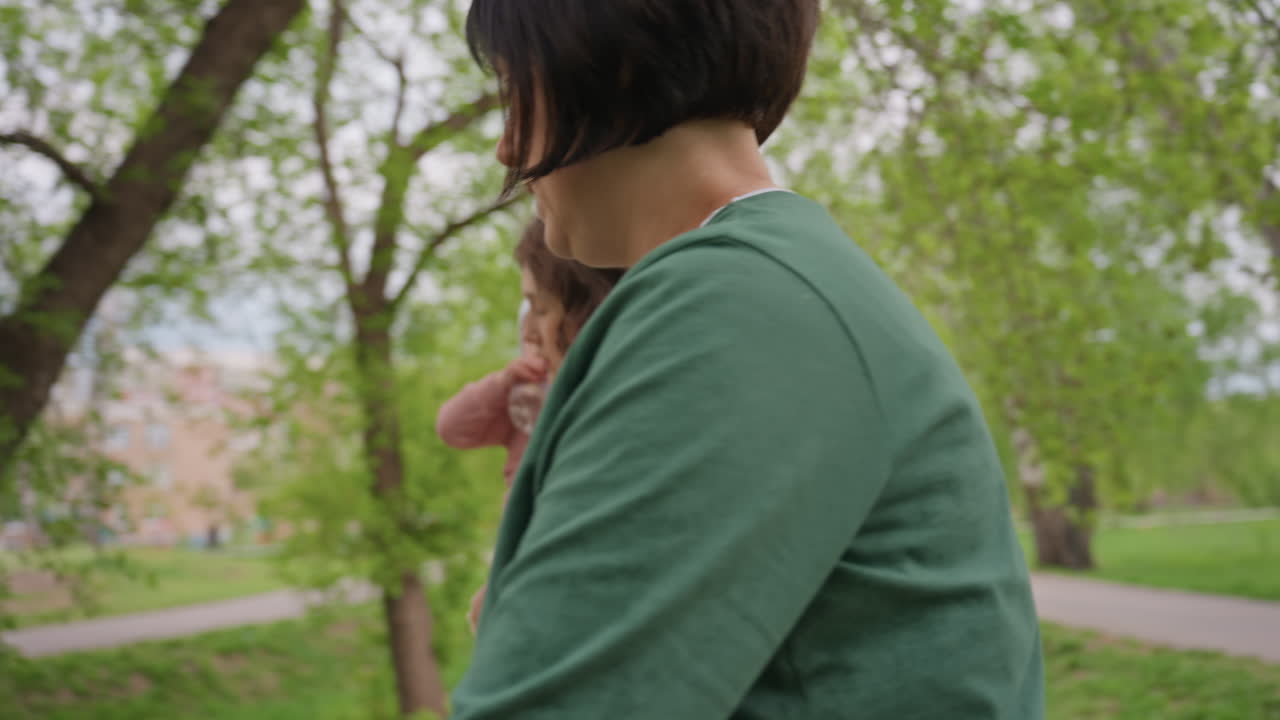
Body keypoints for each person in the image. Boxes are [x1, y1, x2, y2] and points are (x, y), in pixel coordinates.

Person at [452, 2, 1045, 719]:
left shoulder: (729, 304)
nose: (508, 149)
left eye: (518, 91)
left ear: (614, 60)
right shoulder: (776, 281)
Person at [437, 219, 621, 631]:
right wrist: (503, 383)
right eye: (528, 313)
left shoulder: (603, 406)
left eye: (541, 308)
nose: (533, 332)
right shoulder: (525, 395)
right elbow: (452, 427)